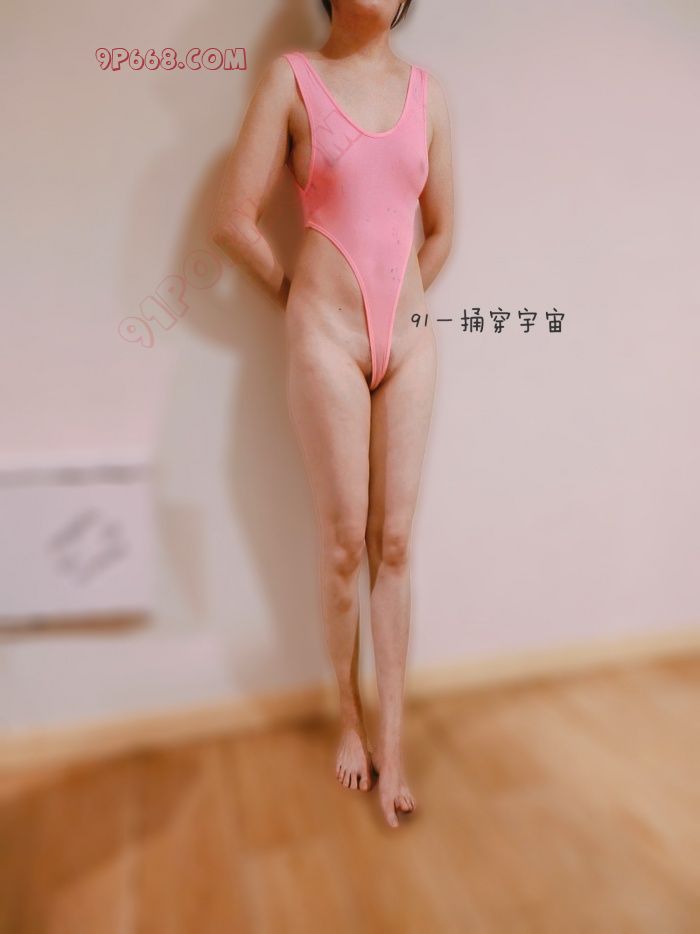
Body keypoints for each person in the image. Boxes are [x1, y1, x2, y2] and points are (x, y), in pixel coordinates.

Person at [212, 0, 453, 828]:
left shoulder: (429, 94)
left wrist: (404, 304)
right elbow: (232, 221)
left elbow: (442, 228)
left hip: (410, 344)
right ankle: (349, 720)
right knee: (346, 542)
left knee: (396, 542)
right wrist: (300, 299)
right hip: (324, 339)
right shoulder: (293, 80)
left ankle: (396, 746)